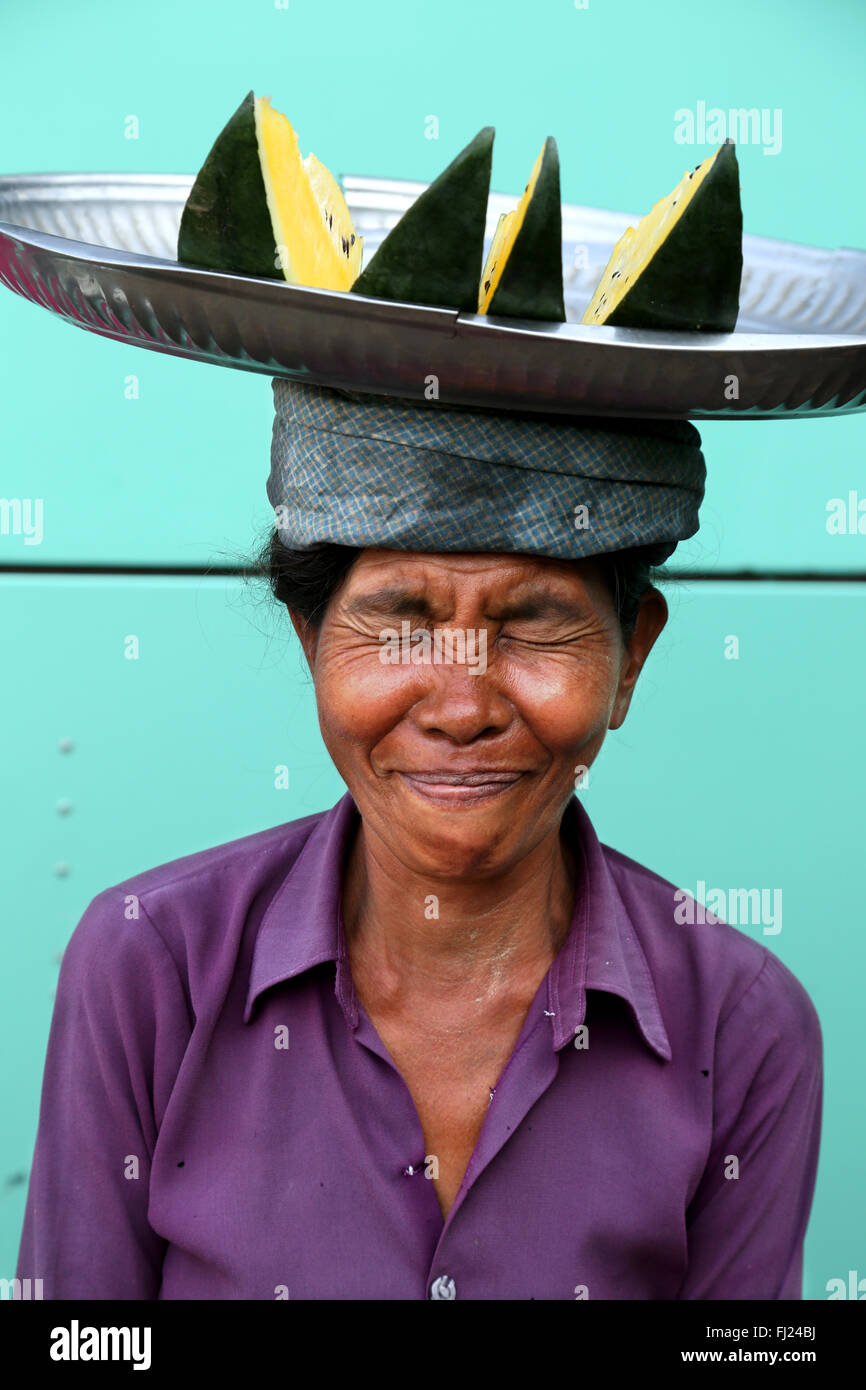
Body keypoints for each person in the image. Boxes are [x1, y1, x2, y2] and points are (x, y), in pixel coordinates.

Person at [16, 379, 822, 1299]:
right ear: (312, 639)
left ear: (630, 657)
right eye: (402, 624)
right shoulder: (149, 966)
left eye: (534, 626)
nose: (462, 707)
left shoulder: (743, 1025)